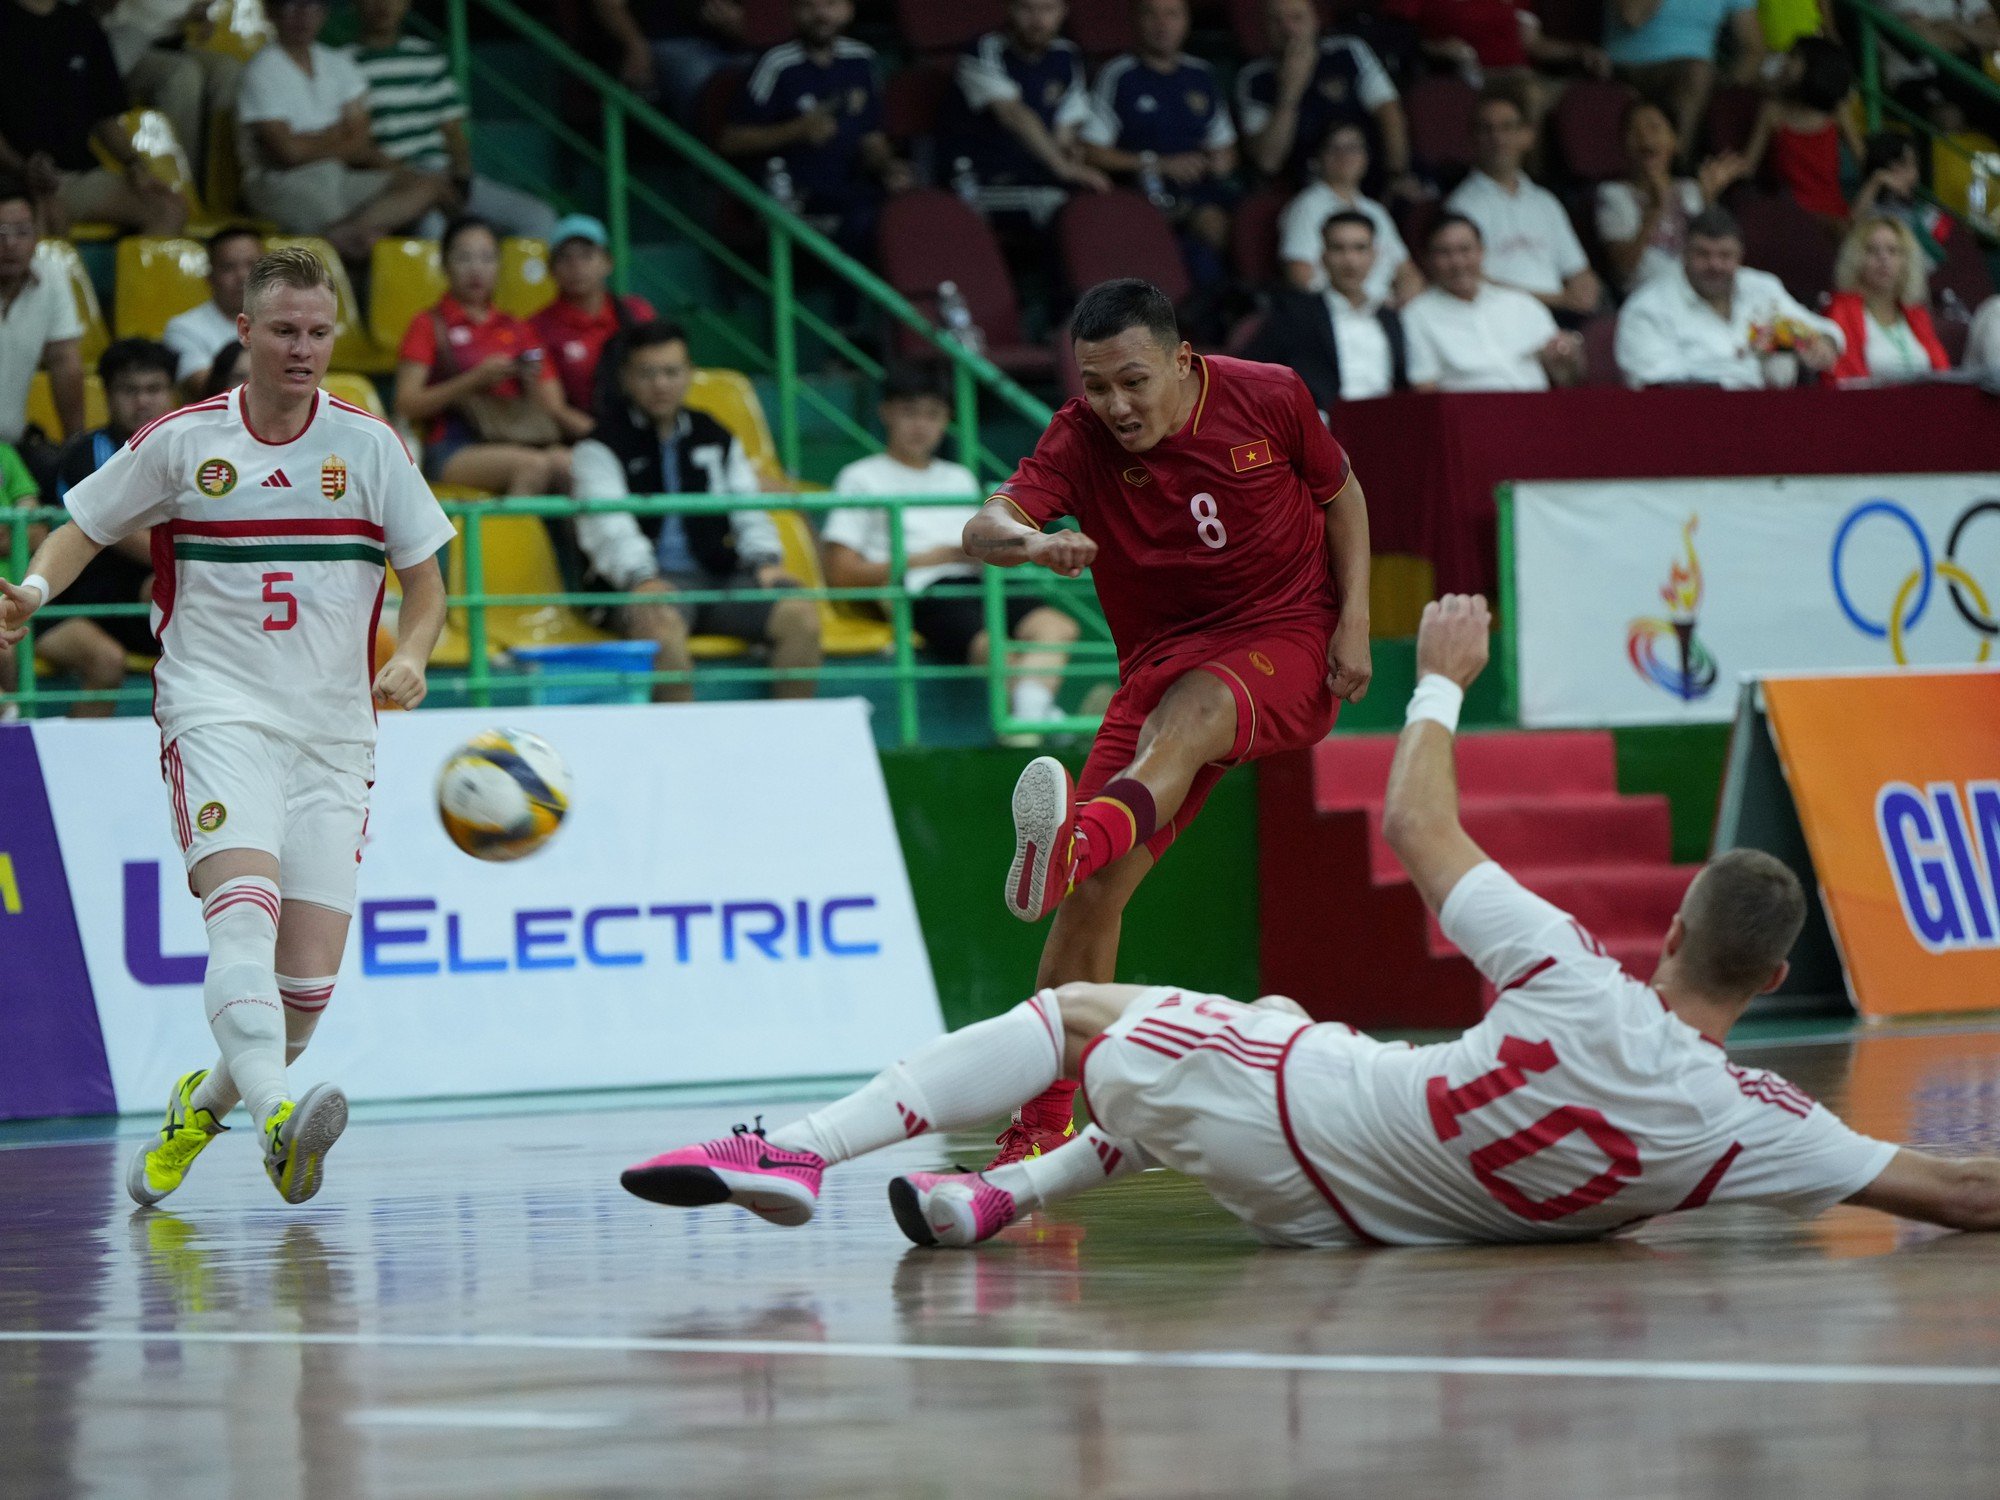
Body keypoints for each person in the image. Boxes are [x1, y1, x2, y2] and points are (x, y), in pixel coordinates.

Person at [621, 595, 2000, 1254]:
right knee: (1264, 1027)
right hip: (1354, 1219)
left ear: (1677, 916)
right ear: (1771, 975)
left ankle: (796, 1152)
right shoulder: (1759, 1122)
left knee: (1081, 1015)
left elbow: (1414, 827)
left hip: (1312, 1120)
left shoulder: (1577, 977)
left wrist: (1443, 683)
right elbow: (1957, 1194)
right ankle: (1001, 1193)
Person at [0, 246, 455, 1208]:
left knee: (305, 996)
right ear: (243, 332)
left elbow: (427, 584)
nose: (303, 349)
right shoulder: (183, 440)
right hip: (216, 709)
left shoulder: (369, 446)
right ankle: (281, 1123)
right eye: (283, 330)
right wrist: (34, 590)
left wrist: (409, 654)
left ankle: (198, 1113)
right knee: (240, 922)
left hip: (335, 733)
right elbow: (82, 524)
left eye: (319, 332)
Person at [950, 278, 1373, 1164]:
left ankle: (1070, 842)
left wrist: (1356, 620)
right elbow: (981, 528)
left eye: (1133, 382)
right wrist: (1031, 542)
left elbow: (1343, 496)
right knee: (1091, 899)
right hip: (1159, 662)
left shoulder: (1270, 393)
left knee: (1195, 713)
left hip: (1286, 637)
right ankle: (1037, 1125)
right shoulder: (1079, 437)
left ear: (1183, 361)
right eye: (1096, 385)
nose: (1114, 404)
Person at [569, 320, 822, 702]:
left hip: (721, 578)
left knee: (800, 614)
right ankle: (681, 754)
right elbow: (608, 526)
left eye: (672, 372)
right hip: (642, 585)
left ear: (689, 374)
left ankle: (788, 744)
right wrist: (641, 578)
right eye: (648, 373)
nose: (661, 384)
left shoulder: (715, 434)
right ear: (625, 379)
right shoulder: (599, 446)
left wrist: (765, 560)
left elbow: (747, 506)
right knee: (659, 626)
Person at [821, 362, 1079, 733]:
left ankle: (1035, 722)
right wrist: (937, 556)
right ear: (886, 412)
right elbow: (841, 574)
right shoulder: (860, 478)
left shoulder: (958, 478)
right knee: (998, 652)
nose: (921, 426)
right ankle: (1048, 725)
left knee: (1057, 626)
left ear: (947, 420)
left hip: (978, 581)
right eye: (910, 413)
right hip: (921, 591)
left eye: (933, 415)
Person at [234, 0, 451, 261]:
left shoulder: (337, 64)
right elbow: (288, 154)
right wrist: (338, 136)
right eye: (292, 6)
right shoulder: (261, 70)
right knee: (354, 224)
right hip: (281, 181)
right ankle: (355, 234)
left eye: (312, 6)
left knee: (426, 184)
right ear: (272, 12)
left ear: (324, 12)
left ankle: (348, 231)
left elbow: (360, 142)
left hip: (339, 176)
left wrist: (310, 140)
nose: (303, 16)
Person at [394, 216, 593, 496]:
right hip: (453, 445)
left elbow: (551, 404)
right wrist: (473, 380)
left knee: (577, 466)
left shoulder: (519, 329)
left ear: (499, 266)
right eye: (464, 258)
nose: (476, 270)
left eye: (487, 258)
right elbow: (406, 404)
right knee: (533, 466)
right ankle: (517, 540)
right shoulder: (427, 325)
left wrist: (529, 380)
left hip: (520, 436)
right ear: (444, 265)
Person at [36, 338, 181, 716]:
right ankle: (65, 772)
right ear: (107, 394)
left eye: (154, 389)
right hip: (76, 603)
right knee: (106, 659)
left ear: (171, 392)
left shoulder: (187, 451)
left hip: (138, 599)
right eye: (129, 390)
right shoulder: (88, 454)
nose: (142, 401)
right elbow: (124, 536)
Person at [348, 0, 558, 243]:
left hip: (444, 172)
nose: (383, 6)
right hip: (392, 181)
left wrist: (461, 180)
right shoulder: (342, 64)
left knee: (539, 218)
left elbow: (453, 130)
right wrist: (422, 184)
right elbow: (359, 146)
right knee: (433, 229)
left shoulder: (427, 55)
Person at [716, 0, 910, 262]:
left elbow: (872, 136)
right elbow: (730, 141)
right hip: (796, 193)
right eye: (809, 5)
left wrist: (888, 166)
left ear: (849, 9)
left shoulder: (861, 58)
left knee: (906, 214)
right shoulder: (777, 63)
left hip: (852, 187)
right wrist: (796, 130)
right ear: (793, 11)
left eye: (830, 4)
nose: (821, 14)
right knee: (862, 221)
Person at [1078, 0, 1239, 284]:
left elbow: (1225, 149)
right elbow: (1091, 151)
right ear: (1136, 21)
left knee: (1227, 226)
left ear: (1186, 21)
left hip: (1198, 193)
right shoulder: (1118, 74)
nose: (1162, 24)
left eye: (1172, 15)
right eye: (1151, 15)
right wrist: (1158, 164)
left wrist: (1217, 162)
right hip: (1138, 195)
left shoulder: (1201, 74)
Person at [0, 0, 189, 237]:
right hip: (12, 178)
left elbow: (106, 117)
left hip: (79, 175)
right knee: (48, 216)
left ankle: (131, 275)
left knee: (168, 208)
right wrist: (21, 169)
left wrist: (134, 164)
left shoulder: (82, 25)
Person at [1616, 205, 1843, 387]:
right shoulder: (1647, 307)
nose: (1715, 265)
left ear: (1740, 256)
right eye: (1703, 254)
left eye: (1725, 255)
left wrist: (1822, 343)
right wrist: (1744, 365)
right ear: (1684, 253)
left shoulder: (1762, 288)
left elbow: (1826, 331)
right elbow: (1657, 385)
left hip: (1769, 419)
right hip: (1685, 425)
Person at [951, 0, 1111, 223]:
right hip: (986, 181)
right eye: (1027, 9)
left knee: (1104, 204)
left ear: (1063, 12)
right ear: (1009, 8)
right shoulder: (983, 50)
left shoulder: (1065, 54)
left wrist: (1069, 152)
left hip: (1040, 177)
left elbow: (1065, 128)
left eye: (1048, 9)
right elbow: (1013, 115)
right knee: (1065, 212)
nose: (1038, 21)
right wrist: (1063, 168)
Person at [1444, 90, 1599, 317]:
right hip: (1498, 317)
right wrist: (1558, 300)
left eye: (1507, 128)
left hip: (1562, 317)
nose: (1497, 138)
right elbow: (1473, 282)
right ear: (1472, 138)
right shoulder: (1461, 206)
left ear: (1527, 136)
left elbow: (1578, 270)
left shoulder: (1545, 201)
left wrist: (1584, 292)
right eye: (1487, 129)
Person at [1237, 0, 1416, 193]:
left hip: (1373, 167)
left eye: (1297, 18)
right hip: (1310, 184)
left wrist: (1397, 173)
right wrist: (1290, 93)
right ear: (1264, 29)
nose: (1288, 28)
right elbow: (1268, 162)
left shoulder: (1347, 51)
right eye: (1276, 21)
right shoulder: (1254, 78)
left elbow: (1390, 114)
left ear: (1315, 21)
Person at [1402, 214, 1584, 391]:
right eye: (1444, 253)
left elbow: (1566, 379)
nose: (1457, 262)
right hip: (1470, 416)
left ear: (1481, 252)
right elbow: (1424, 387)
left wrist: (1566, 357)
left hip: (1537, 411)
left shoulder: (1522, 303)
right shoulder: (1417, 313)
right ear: (1427, 259)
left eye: (1465, 250)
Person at [1248, 211, 1410, 408]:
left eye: (1360, 248)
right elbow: (1252, 371)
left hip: (1384, 424)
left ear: (1374, 255)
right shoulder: (1296, 313)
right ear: (1323, 256)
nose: (1350, 260)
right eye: (1338, 248)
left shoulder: (1390, 318)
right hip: (1322, 426)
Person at [1597, 99, 1748, 293]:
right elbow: (1624, 269)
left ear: (1675, 142)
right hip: (1651, 297)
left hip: (1700, 292)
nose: (1644, 136)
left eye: (1654, 127)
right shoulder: (1612, 195)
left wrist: (1710, 200)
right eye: (1634, 131)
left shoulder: (1692, 189)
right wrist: (1654, 210)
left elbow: (1716, 257)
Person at [1387, 0, 1609, 117]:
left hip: (1523, 75)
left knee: (1605, 94)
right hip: (1470, 75)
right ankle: (1531, 176)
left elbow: (1533, 43)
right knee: (1529, 92)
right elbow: (1395, 32)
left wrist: (1580, 50)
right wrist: (1436, 48)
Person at [1278, 122, 1418, 306]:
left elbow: (1408, 273)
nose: (1344, 156)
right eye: (1334, 148)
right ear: (1319, 158)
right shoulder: (1306, 206)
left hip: (1384, 312)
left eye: (1353, 148)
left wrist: (1401, 305)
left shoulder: (1375, 210)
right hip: (1335, 311)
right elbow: (1300, 276)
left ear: (1366, 157)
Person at [530, 214, 657, 416]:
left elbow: (659, 376)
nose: (576, 266)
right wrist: (605, 439)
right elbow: (555, 410)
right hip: (582, 436)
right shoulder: (536, 327)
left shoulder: (637, 311)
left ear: (608, 262)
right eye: (564, 257)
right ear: (551, 269)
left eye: (586, 255)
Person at [99, 0, 243, 173]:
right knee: (183, 75)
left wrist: (202, 14)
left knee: (227, 69)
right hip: (130, 40)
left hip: (173, 41)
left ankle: (219, 177)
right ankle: (184, 177)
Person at [1606, 0, 1765, 154]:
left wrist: (1731, 84)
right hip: (1633, 66)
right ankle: (1678, 163)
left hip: (1700, 74)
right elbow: (1632, 15)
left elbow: (1753, 48)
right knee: (1696, 73)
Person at [0, 179, 85, 456]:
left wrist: (75, 446)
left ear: (37, 234)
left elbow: (64, 362)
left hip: (11, 448)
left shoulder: (52, 276)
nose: (9, 243)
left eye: (22, 232)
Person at [1741, 36, 1862, 228]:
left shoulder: (1837, 111)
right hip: (1789, 215)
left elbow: (1864, 160)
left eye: (1794, 57)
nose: (1786, 63)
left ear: (1816, 66)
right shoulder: (1772, 111)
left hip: (1834, 216)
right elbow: (1747, 167)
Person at [1825, 215, 1950, 379]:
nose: (1883, 258)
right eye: (1872, 250)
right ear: (1856, 260)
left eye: (1892, 251)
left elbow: (1943, 375)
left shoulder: (1916, 314)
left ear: (1906, 262)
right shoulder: (1842, 310)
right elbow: (1841, 379)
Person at [591, 0, 752, 118]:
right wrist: (635, 46)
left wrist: (735, 22)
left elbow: (747, 22)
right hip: (657, 43)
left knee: (761, 66)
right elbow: (608, 5)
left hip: (723, 45)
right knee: (700, 71)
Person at [163, 226, 262, 392]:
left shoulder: (290, 321)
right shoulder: (183, 329)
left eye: (251, 265)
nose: (242, 276)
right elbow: (209, 388)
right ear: (210, 277)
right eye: (228, 267)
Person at [1851, 131, 1950, 267]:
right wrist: (1877, 180)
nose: (1912, 175)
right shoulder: (1871, 210)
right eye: (1896, 166)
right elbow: (1852, 228)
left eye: (1912, 165)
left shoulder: (1928, 212)